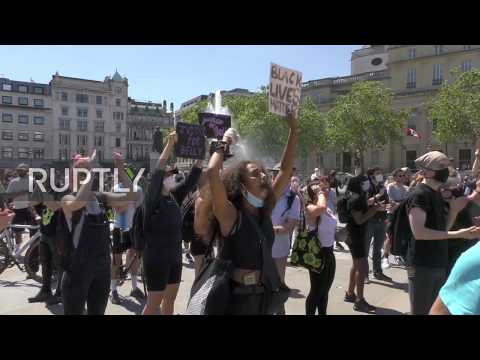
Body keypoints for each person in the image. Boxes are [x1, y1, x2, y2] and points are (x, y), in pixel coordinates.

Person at [207, 110, 298, 315]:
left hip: (263, 297)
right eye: (256, 174)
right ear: (241, 186)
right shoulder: (230, 215)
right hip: (236, 300)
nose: (264, 176)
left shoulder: (264, 210)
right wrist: (224, 142)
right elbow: (212, 172)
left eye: (264, 172)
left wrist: (293, 130)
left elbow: (284, 170)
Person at [59, 151, 139, 315]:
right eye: (80, 174)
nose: (85, 178)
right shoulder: (67, 198)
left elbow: (131, 195)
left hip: (102, 268)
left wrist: (121, 171)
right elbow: (78, 203)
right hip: (77, 270)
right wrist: (89, 174)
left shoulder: (101, 197)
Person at [406, 151, 480, 315]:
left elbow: (441, 230)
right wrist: (458, 234)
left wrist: (453, 211)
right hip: (422, 263)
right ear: (425, 171)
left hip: (438, 260)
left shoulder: (436, 194)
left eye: (447, 165)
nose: (446, 170)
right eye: (441, 166)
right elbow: (419, 233)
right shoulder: (419, 195)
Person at [142, 132, 203, 315]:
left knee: (170, 300)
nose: (173, 176)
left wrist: (202, 152)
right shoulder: (152, 199)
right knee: (154, 304)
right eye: (169, 174)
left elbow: (192, 178)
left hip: (174, 257)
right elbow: (159, 169)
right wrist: (169, 144)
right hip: (156, 258)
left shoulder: (174, 196)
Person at [344, 175, 385, 313]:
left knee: (356, 265)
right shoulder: (355, 199)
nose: (368, 184)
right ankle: (359, 301)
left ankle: (350, 294)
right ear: (359, 185)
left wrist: (374, 206)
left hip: (354, 235)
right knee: (361, 268)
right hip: (356, 236)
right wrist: (375, 210)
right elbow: (359, 220)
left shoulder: (357, 196)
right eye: (365, 182)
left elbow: (363, 209)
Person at [304, 177, 337, 315]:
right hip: (317, 254)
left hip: (329, 253)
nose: (325, 190)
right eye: (321, 188)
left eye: (325, 188)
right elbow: (321, 208)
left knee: (325, 291)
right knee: (316, 291)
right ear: (315, 193)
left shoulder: (328, 208)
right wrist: (320, 193)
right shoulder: (311, 208)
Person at [28, 185, 65, 305]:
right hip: (45, 232)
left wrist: (42, 194)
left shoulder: (64, 191)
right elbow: (32, 204)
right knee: (45, 263)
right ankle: (45, 291)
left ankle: (60, 293)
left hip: (58, 234)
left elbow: (54, 206)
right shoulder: (46, 191)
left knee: (60, 265)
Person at [110, 180, 145, 305]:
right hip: (119, 228)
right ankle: (113, 290)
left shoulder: (139, 189)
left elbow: (140, 209)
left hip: (133, 228)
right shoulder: (115, 188)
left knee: (135, 258)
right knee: (116, 259)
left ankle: (134, 288)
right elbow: (118, 209)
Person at [271, 173, 301, 315]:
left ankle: (280, 312)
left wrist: (271, 230)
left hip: (279, 249)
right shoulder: (264, 194)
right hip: (260, 247)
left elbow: (290, 225)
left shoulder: (293, 199)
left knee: (278, 284)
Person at [429, 242, 480, 315]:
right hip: (425, 265)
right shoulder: (474, 255)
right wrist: (459, 234)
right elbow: (440, 309)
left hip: (441, 262)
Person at [365, 167, 392, 282]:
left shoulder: (382, 187)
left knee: (377, 249)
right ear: (371, 175)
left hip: (381, 221)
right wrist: (377, 197)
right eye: (377, 173)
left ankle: (378, 271)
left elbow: (386, 203)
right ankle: (364, 274)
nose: (380, 175)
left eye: (381, 173)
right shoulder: (367, 187)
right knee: (365, 249)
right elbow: (365, 203)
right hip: (369, 221)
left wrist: (387, 207)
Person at [6, 163, 34, 254]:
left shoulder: (32, 181)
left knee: (33, 229)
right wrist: (21, 193)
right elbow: (8, 196)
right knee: (17, 231)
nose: (20, 172)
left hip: (30, 209)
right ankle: (17, 249)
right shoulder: (13, 182)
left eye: (22, 170)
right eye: (18, 170)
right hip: (17, 208)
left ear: (27, 171)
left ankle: (32, 249)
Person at [384, 169, 409, 268]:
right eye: (399, 176)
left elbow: (407, 201)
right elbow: (390, 201)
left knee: (401, 235)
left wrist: (399, 203)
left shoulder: (406, 188)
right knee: (390, 236)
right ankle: (385, 257)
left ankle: (399, 255)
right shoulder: (390, 186)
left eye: (403, 176)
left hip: (402, 214)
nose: (402, 178)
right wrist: (400, 203)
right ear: (394, 177)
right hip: (392, 214)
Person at [193, 171, 216, 277]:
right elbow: (201, 228)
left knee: (203, 273)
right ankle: (196, 293)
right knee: (200, 275)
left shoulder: (198, 196)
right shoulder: (201, 200)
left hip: (202, 241)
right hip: (200, 241)